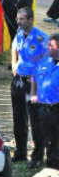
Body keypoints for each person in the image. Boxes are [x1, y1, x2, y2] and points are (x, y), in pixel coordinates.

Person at [11, 7, 49, 165]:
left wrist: (37, 76)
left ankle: (37, 156)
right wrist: (14, 65)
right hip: (18, 81)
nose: (18, 22)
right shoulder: (19, 33)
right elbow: (14, 48)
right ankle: (20, 152)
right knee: (18, 118)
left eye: (22, 19)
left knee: (35, 119)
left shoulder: (41, 38)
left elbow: (49, 59)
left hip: (31, 84)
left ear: (31, 20)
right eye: (18, 19)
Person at [30, 33, 59, 169]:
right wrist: (33, 94)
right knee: (47, 138)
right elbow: (34, 78)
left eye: (51, 45)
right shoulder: (44, 61)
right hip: (43, 108)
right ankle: (51, 166)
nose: (48, 48)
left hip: (57, 108)